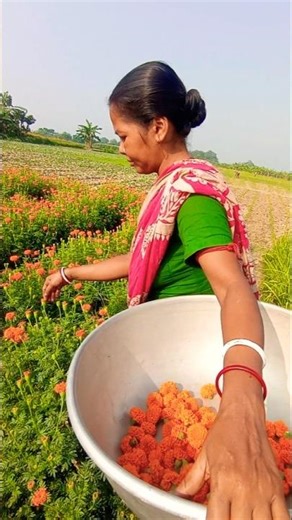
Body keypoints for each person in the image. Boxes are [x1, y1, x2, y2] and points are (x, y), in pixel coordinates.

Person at [42, 61, 289, 519]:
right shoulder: (168, 189)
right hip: (170, 355)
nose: (120, 147)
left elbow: (234, 289)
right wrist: (69, 271)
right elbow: (137, 261)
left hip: (203, 369)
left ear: (157, 126)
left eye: (121, 134)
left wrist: (241, 405)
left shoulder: (193, 198)